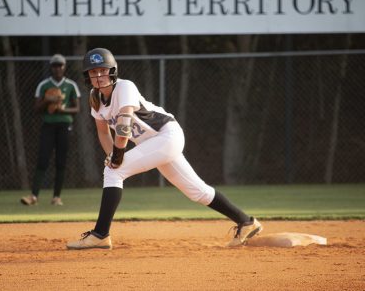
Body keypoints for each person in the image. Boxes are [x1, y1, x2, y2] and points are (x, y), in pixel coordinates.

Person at [66, 48, 261, 249]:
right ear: (87, 75)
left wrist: (117, 156)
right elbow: (103, 132)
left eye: (103, 70)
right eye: (93, 71)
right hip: (154, 144)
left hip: (166, 136)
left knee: (113, 171)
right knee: (198, 192)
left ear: (113, 70)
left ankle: (100, 234)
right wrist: (111, 155)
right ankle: (246, 222)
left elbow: (123, 123)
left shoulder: (124, 87)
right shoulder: (95, 98)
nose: (98, 76)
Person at [21, 54, 81, 206]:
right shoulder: (44, 85)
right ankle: (33, 196)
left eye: (60, 65)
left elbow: (77, 108)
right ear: (51, 67)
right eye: (55, 65)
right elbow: (36, 109)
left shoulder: (71, 85)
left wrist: (62, 109)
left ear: (64, 66)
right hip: (48, 125)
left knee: (61, 162)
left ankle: (56, 197)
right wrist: (47, 100)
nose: (57, 68)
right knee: (42, 160)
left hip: (64, 125)